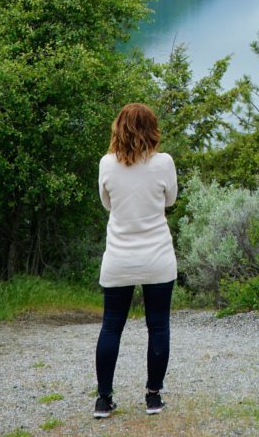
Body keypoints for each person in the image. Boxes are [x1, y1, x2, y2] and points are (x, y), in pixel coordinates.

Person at [93, 102, 178, 419]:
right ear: (152, 130)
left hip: (118, 259)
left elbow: (107, 204)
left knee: (111, 326)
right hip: (157, 257)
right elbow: (170, 200)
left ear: (119, 128)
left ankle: (104, 400)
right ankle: (153, 397)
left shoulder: (106, 164)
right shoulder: (164, 162)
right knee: (158, 326)